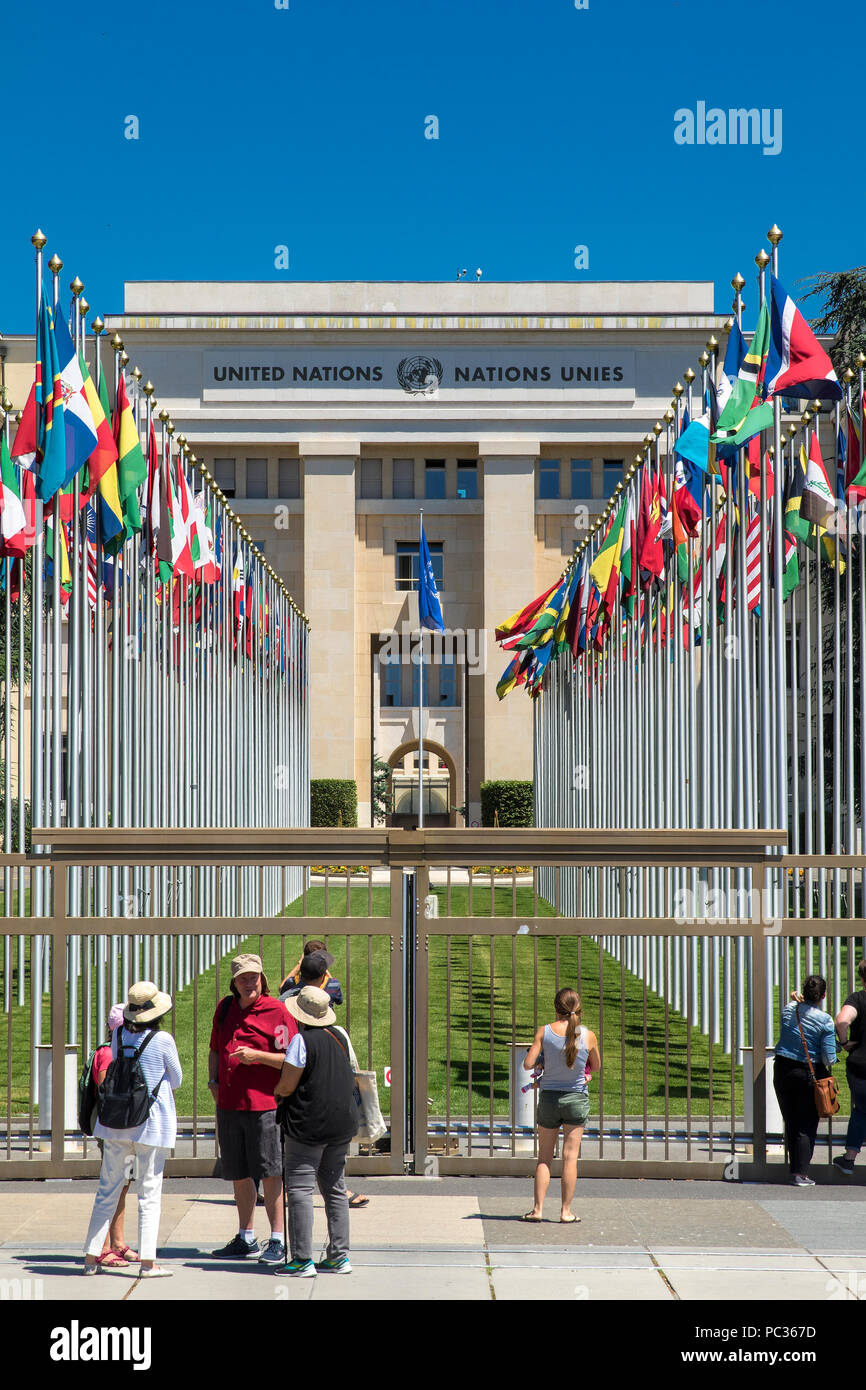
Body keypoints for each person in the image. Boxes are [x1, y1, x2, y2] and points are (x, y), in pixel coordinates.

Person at [83, 982, 182, 1278]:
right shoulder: (163, 1040)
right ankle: (148, 1263)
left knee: (107, 1190)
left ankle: (91, 1256)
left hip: (116, 1124)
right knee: (149, 1193)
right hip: (150, 1124)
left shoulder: (118, 1034)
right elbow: (175, 1078)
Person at [208, 953, 297, 1264]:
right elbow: (215, 1048)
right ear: (234, 982)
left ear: (263, 979)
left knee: (271, 1171)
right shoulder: (225, 1008)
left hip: (265, 1105)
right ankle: (246, 1236)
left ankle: (277, 1239)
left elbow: (291, 1059)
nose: (249, 982)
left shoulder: (277, 1011)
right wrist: (213, 1080)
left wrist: (257, 1056)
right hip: (230, 1105)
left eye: (254, 977)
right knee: (239, 1171)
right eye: (243, 977)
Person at [273, 985, 359, 1276]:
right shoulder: (340, 1036)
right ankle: (338, 1256)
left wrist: (278, 1092)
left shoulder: (301, 1040)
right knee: (335, 1190)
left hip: (307, 1126)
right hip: (340, 1124)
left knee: (299, 1189)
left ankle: (300, 1259)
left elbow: (287, 1083)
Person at [280, 946, 368, 1211]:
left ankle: (284, 1188)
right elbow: (335, 994)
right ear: (323, 975)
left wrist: (298, 968)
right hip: (320, 1070)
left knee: (296, 1152)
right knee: (328, 1159)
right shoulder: (331, 988)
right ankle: (337, 1191)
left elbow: (283, 986)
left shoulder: (288, 993)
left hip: (292, 1069)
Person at [521, 987, 600, 1223]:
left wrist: (543, 1061)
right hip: (576, 1098)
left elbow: (527, 1064)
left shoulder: (544, 1032)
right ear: (579, 1009)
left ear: (556, 1008)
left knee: (544, 1158)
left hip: (549, 1098)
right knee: (570, 1157)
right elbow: (595, 1066)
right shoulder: (588, 1036)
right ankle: (566, 1212)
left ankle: (537, 1210)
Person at [773, 975, 837, 1186]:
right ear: (824, 995)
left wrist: (797, 1001)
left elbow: (796, 1008)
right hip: (808, 1074)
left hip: (782, 1069)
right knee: (806, 1124)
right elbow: (828, 1058)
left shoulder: (788, 1009)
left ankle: (795, 1170)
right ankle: (801, 1173)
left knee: (791, 1120)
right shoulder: (825, 1020)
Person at [89, 1003, 140, 1270]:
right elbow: (107, 1086)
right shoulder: (110, 1053)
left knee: (124, 1186)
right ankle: (104, 1246)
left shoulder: (120, 1050)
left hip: (127, 1129)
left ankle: (118, 1242)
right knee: (113, 1187)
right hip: (114, 1130)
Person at [833, 959, 866, 1175]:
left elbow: (842, 1021)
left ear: (862, 977)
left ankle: (849, 1158)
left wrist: (844, 1043)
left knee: (861, 1110)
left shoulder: (858, 998)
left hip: (860, 1064)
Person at [279, 942, 344, 1006]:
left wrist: (299, 963)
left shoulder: (292, 982)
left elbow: (281, 989)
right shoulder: (333, 984)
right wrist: (323, 967)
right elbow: (339, 1001)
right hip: (324, 1016)